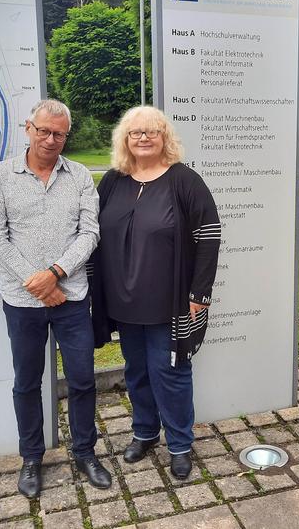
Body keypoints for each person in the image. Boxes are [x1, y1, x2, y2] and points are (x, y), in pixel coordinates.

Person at [0, 99, 111, 498]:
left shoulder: (79, 177)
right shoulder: (1, 175)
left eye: (59, 133)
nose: (51, 139)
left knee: (83, 378)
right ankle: (32, 458)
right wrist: (34, 282)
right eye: (44, 130)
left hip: (71, 299)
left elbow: (90, 233)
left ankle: (85, 452)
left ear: (65, 135)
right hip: (22, 303)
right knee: (26, 382)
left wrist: (55, 274)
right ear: (29, 128)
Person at [90, 105, 220, 480]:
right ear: (125, 140)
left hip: (171, 300)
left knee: (171, 370)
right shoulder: (113, 181)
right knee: (136, 369)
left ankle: (179, 444)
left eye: (152, 131)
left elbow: (209, 235)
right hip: (123, 299)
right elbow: (94, 231)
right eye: (136, 133)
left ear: (165, 138)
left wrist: (200, 292)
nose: (144, 138)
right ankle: (144, 433)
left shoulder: (184, 180)